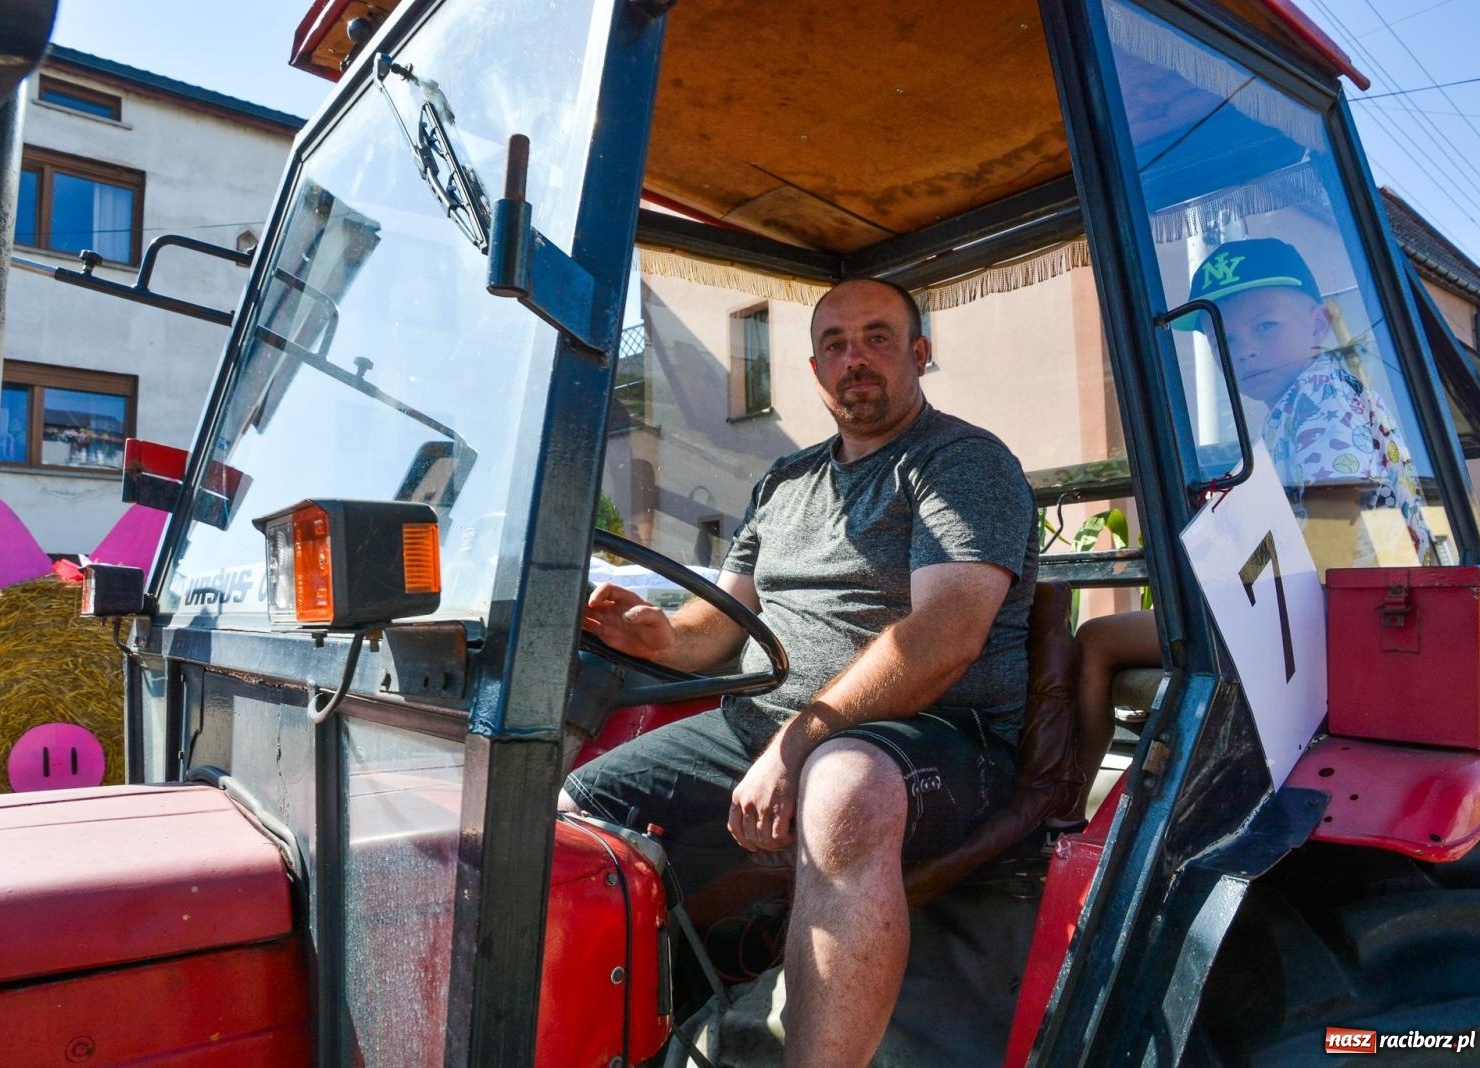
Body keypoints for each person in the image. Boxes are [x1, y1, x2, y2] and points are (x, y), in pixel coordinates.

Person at [561, 276, 1038, 1067]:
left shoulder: (961, 462)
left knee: (846, 788)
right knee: (573, 808)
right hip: (767, 727)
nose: (856, 359)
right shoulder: (784, 482)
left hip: (942, 735)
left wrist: (798, 745)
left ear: (920, 353)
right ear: (815, 370)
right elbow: (722, 623)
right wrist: (660, 636)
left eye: (878, 338)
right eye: (835, 345)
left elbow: (945, 635)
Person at [1061, 237, 1434, 826]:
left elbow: (1333, 531)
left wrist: (1227, 587)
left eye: (1265, 326)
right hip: (1325, 611)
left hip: (1326, 621)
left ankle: (1060, 813)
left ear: (1317, 324)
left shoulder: (1321, 399)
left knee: (1096, 639)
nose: (1246, 350)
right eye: (1226, 340)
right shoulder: (1310, 397)